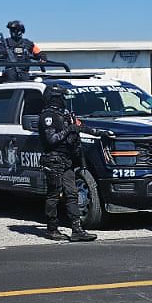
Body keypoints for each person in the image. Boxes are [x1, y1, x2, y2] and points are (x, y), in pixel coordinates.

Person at [39, 83, 96, 242]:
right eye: (61, 97)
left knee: (72, 194)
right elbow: (51, 140)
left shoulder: (64, 114)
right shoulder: (47, 116)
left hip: (66, 160)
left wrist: (99, 133)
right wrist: (69, 129)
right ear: (54, 98)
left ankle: (77, 230)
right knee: (54, 194)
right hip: (53, 159)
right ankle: (52, 229)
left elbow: (80, 127)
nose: (64, 100)